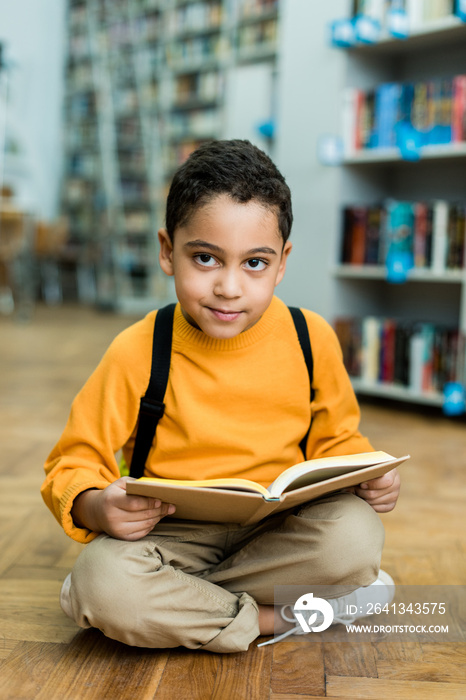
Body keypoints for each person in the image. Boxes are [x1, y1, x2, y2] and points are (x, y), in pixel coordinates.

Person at [41, 139, 401, 652]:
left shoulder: (310, 337)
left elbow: (338, 439)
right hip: (168, 540)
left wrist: (370, 473)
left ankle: (168, 608)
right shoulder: (138, 349)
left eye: (255, 263)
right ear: (168, 252)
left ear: (281, 263)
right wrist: (96, 508)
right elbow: (72, 461)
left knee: (356, 535)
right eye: (206, 258)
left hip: (275, 533)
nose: (230, 287)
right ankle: (278, 619)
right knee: (106, 575)